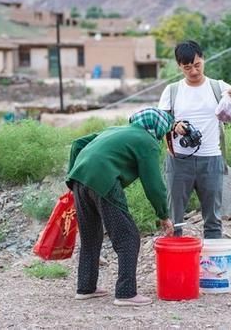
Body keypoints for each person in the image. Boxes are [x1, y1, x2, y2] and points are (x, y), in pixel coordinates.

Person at [66, 107, 175, 307]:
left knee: (90, 236)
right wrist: (163, 215)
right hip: (103, 181)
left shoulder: (116, 130)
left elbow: (77, 144)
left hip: (79, 179)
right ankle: (126, 294)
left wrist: (71, 175)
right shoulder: (147, 142)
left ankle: (85, 288)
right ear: (158, 128)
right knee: (128, 236)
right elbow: (154, 185)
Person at [158, 40, 231, 239]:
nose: (193, 71)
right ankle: (177, 264)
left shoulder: (217, 86)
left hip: (211, 160)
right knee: (174, 219)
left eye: (197, 65)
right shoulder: (172, 90)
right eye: (187, 67)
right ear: (179, 66)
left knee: (213, 219)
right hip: (179, 161)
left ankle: (212, 267)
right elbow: (161, 122)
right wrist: (174, 126)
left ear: (203, 59)